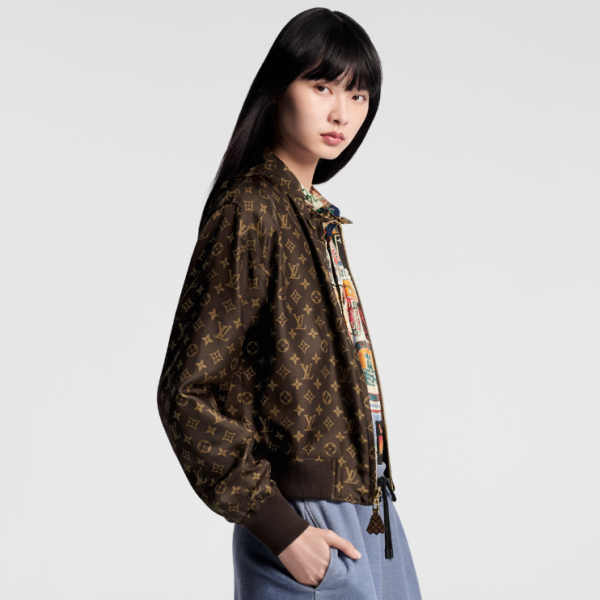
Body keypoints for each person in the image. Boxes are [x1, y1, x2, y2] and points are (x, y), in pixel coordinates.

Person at [156, 8, 422, 599]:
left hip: (371, 511)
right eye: (322, 86)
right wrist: (283, 530)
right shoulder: (251, 209)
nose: (341, 112)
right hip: (309, 520)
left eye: (358, 95)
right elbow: (186, 393)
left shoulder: (312, 213)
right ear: (279, 87)